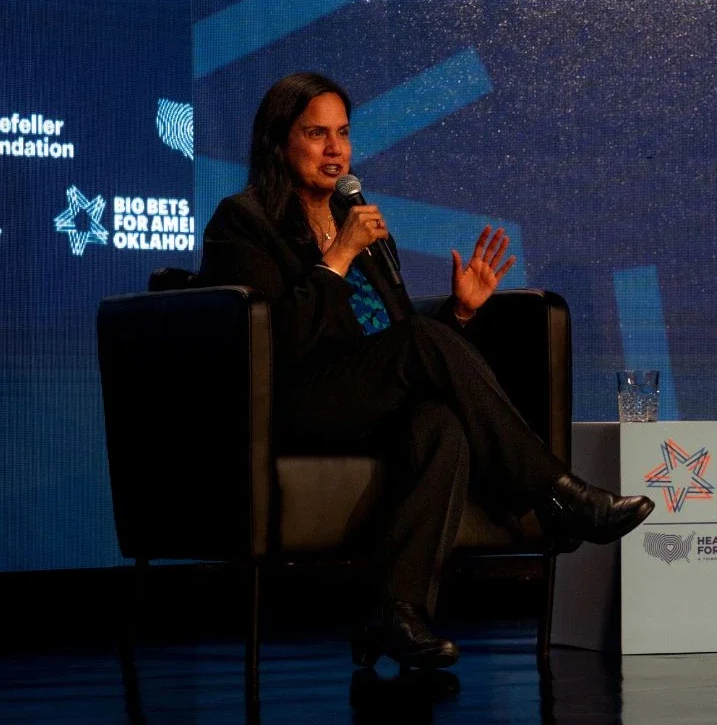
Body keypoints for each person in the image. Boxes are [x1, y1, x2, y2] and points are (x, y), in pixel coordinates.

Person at [199, 72, 654, 669]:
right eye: (316, 134)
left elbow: (393, 336)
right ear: (279, 142)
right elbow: (276, 341)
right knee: (420, 343)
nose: (336, 150)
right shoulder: (244, 220)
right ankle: (557, 494)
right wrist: (337, 258)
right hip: (293, 400)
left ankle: (396, 612)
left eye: (343, 133)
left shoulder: (356, 217)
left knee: (439, 423)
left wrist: (459, 312)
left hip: (364, 397)